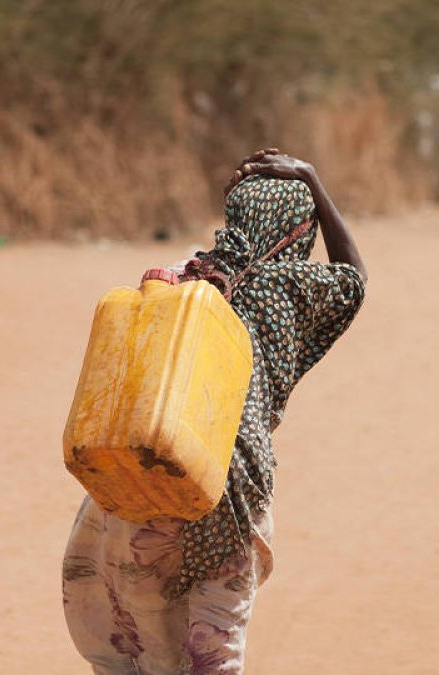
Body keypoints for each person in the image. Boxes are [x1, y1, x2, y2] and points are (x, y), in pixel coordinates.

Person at [62, 148, 367, 674]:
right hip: (220, 497)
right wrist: (315, 182)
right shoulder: (288, 287)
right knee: (208, 652)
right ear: (298, 233)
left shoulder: (183, 277)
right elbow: (355, 278)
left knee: (133, 647)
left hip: (132, 485)